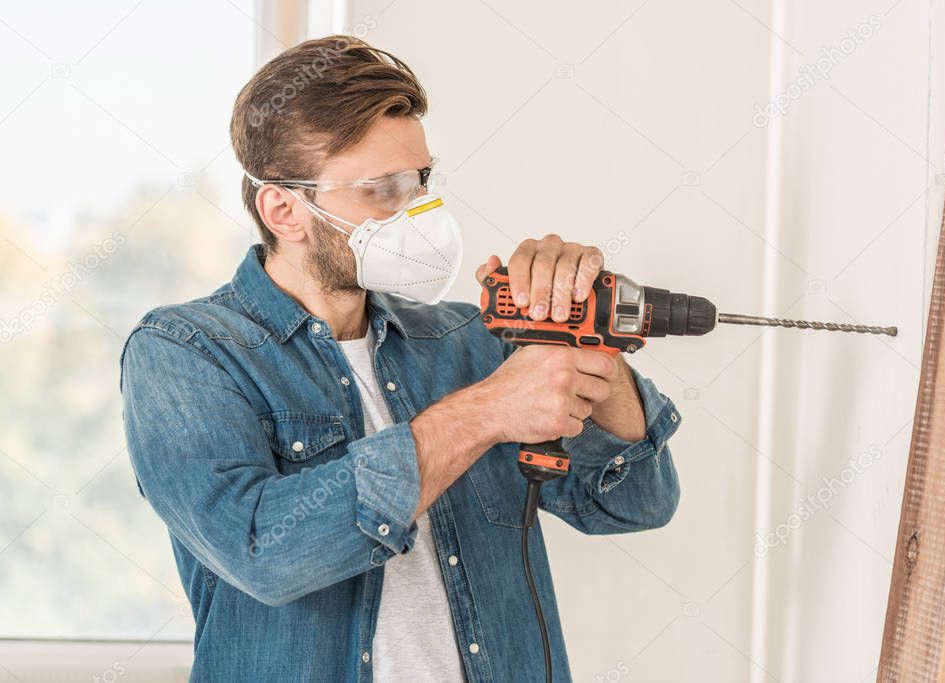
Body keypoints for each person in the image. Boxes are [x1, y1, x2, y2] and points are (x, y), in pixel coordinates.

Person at [120, 35, 681, 682]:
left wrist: (593, 356)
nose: (415, 211)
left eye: (419, 181)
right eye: (381, 189)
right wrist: (483, 413)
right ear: (283, 210)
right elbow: (265, 551)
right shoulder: (188, 352)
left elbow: (636, 502)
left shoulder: (469, 341)